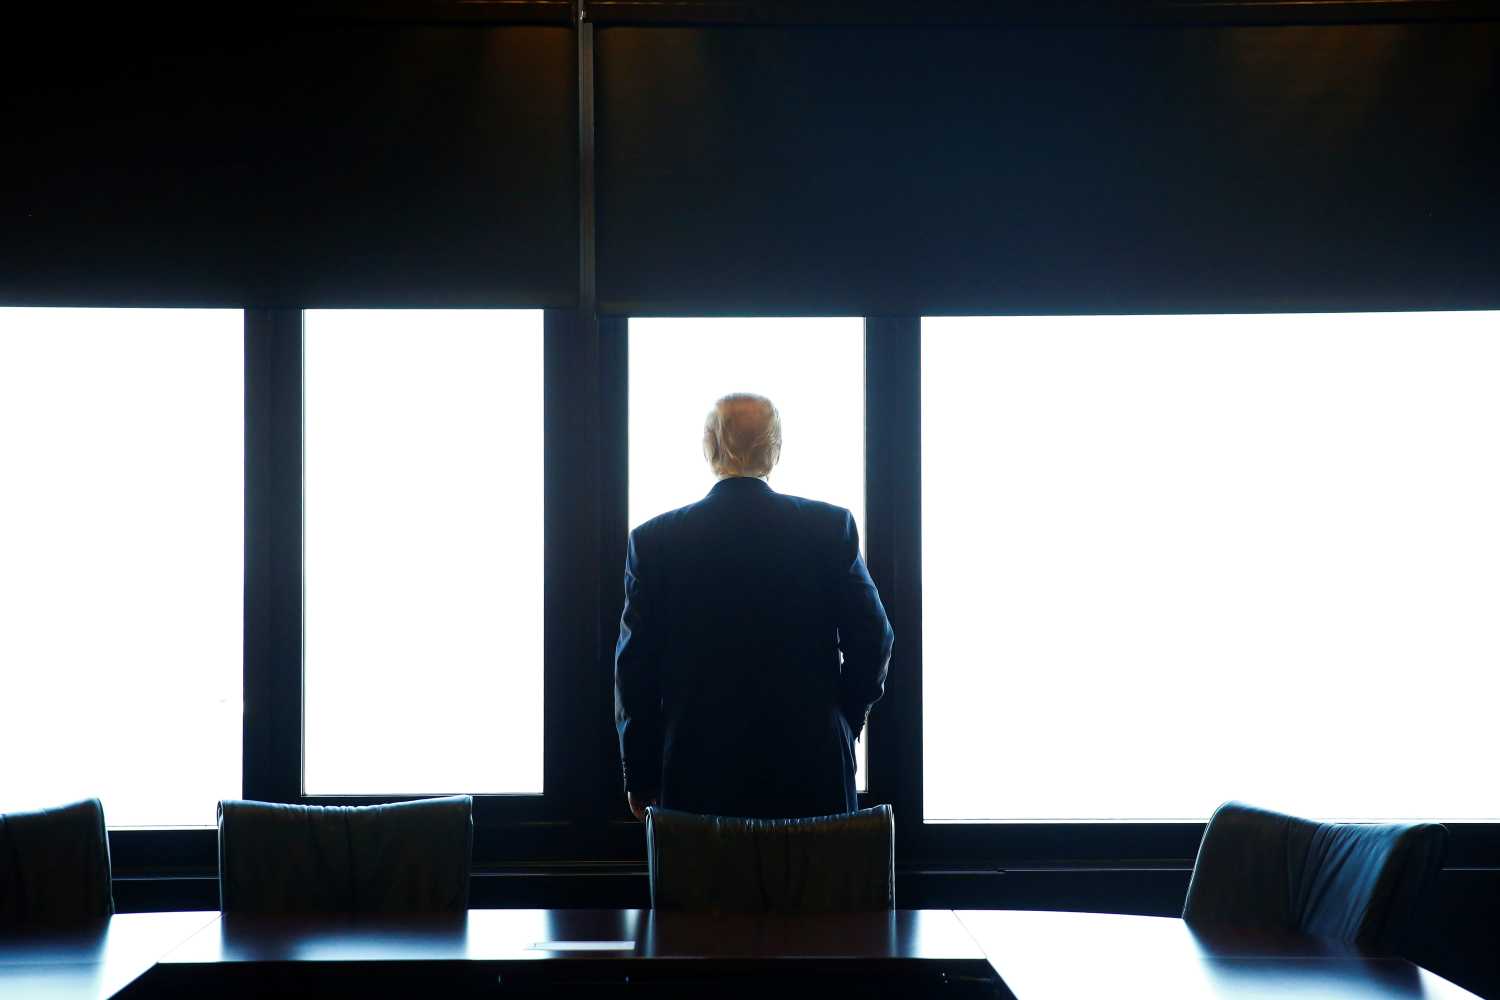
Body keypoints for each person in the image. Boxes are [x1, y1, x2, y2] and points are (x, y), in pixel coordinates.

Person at [614, 393, 893, 821]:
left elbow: (635, 670)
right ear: (774, 451)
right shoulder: (829, 529)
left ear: (709, 448)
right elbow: (874, 638)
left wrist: (640, 771)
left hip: (696, 772)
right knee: (814, 887)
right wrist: (841, 721)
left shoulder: (654, 542)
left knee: (706, 888)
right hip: (812, 768)